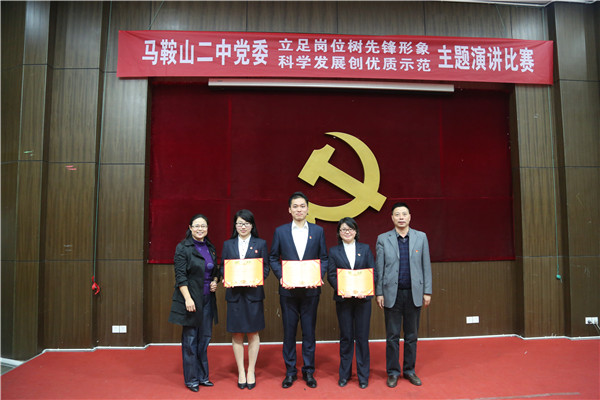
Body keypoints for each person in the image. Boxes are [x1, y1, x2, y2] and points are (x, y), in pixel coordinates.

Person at [269, 192, 328, 389]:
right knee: (289, 333)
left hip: (311, 291)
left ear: (308, 209)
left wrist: (318, 276)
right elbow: (272, 257)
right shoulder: (281, 231)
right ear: (289, 210)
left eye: (302, 206)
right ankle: (290, 372)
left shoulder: (318, 231)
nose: (299, 209)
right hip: (288, 291)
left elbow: (324, 258)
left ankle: (308, 371)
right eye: (295, 206)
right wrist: (282, 276)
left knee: (309, 332)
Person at [375, 202, 432, 388]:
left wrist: (427, 291)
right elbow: (380, 268)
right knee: (392, 336)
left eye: (404, 214)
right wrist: (379, 292)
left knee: (411, 335)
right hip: (392, 294)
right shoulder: (383, 239)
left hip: (414, 293)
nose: (401, 217)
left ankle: (409, 370)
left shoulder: (421, 237)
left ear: (409, 217)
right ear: (392, 218)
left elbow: (426, 266)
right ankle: (393, 372)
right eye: (397, 214)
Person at [168, 214, 220, 392]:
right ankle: (191, 379)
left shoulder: (210, 247)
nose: (200, 229)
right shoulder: (183, 247)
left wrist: (215, 281)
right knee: (190, 340)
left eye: (203, 226)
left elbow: (215, 271)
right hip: (191, 299)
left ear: (207, 228)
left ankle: (203, 377)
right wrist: (188, 298)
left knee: (204, 338)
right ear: (190, 228)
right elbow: (180, 276)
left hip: (207, 299)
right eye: (196, 226)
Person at [220, 210, 269, 390]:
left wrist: (257, 279)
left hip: (253, 294)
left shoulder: (261, 243)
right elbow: (223, 267)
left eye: (246, 223)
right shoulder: (228, 244)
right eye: (240, 223)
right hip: (234, 295)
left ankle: (251, 371)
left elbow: (265, 268)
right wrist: (226, 277)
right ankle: (241, 371)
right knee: (237, 333)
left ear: (252, 225)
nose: (243, 227)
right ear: (235, 225)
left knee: (253, 333)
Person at [327, 217, 376, 389]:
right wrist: (343, 290)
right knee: (346, 337)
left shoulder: (365, 248)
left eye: (350, 229)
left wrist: (366, 289)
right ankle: (344, 374)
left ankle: (363, 376)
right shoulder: (334, 251)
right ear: (339, 233)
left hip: (363, 300)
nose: (347, 232)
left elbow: (372, 271)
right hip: (344, 300)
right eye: (343, 230)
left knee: (362, 338)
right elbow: (331, 275)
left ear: (356, 231)